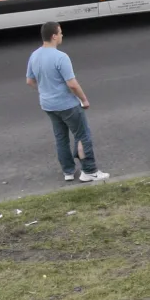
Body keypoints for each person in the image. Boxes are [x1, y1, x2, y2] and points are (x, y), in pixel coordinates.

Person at [25, 21, 108, 183]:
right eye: (61, 33)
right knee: (82, 135)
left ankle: (68, 171)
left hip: (48, 104)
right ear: (54, 36)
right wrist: (84, 99)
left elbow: (30, 81)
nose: (62, 36)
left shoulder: (34, 55)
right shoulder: (61, 57)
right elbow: (72, 84)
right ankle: (89, 171)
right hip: (67, 104)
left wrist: (44, 90)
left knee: (61, 137)